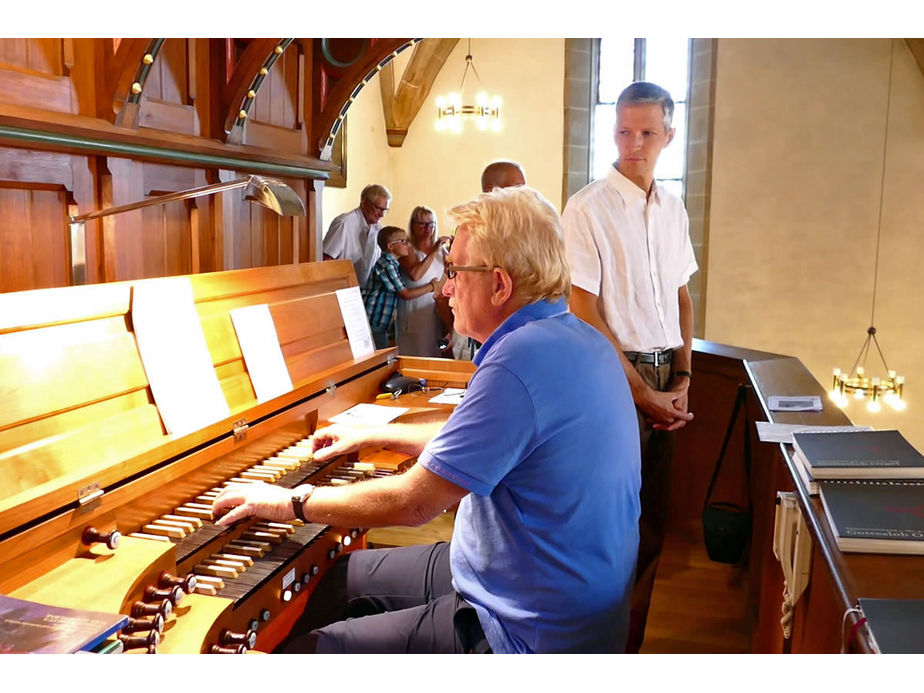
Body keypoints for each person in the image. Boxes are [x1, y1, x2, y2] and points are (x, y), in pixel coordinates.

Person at [212, 186, 641, 654]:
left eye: (456, 271)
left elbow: (415, 504)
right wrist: (381, 432)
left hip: (526, 632)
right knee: (339, 581)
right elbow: (485, 442)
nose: (445, 287)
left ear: (500, 285)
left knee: (311, 652)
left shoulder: (519, 361)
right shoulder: (572, 336)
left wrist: (292, 502)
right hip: (548, 591)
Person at [561, 81, 698, 654]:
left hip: (670, 374)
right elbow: (582, 308)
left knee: (654, 523)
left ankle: (630, 643)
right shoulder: (587, 207)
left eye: (646, 132)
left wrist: (685, 376)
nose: (633, 143)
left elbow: (682, 296)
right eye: (623, 131)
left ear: (670, 135)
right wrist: (640, 389)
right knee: (610, 522)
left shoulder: (673, 207)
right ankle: (593, 643)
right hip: (617, 375)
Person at [363, 225, 439, 350]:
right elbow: (405, 294)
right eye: (403, 242)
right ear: (390, 246)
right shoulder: (386, 264)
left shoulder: (393, 263)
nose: (407, 245)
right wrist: (431, 286)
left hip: (380, 322)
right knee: (380, 360)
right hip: (373, 321)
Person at [396, 205, 452, 356]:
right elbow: (416, 274)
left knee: (433, 352)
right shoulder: (407, 248)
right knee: (415, 351)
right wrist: (433, 251)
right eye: (422, 224)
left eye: (431, 224)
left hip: (434, 308)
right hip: (414, 310)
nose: (428, 228)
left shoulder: (441, 249)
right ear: (413, 225)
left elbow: (449, 270)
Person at [322, 184, 392, 288]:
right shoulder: (344, 223)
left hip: (365, 292)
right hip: (342, 289)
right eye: (378, 208)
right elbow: (325, 260)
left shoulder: (379, 229)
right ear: (364, 202)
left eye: (385, 210)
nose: (381, 214)